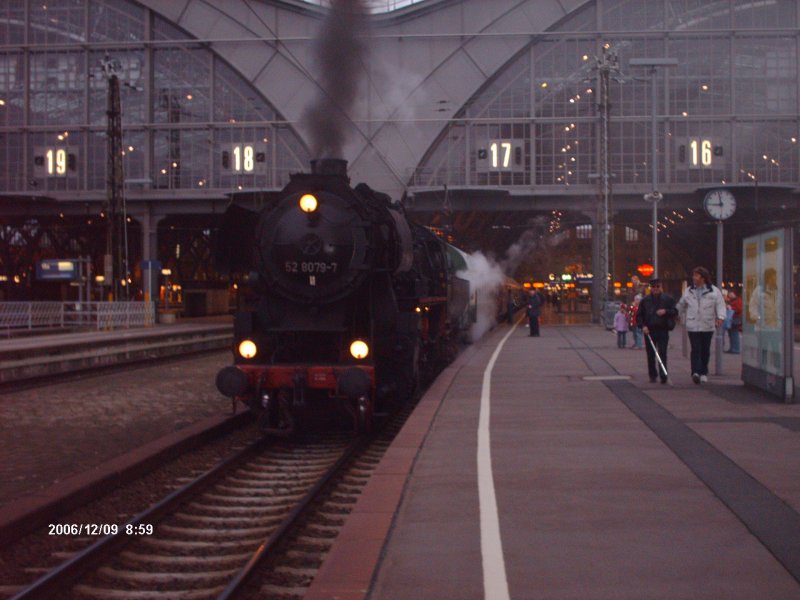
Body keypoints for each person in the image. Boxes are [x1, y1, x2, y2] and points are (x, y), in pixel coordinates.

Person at [676, 266, 726, 384]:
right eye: (693, 275)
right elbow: (682, 304)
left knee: (705, 349)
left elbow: (720, 305)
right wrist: (675, 313)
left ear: (703, 278)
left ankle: (703, 372)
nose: (693, 277)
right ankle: (695, 372)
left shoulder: (714, 291)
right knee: (695, 348)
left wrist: (720, 317)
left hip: (707, 324)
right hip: (693, 324)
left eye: (696, 275)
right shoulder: (689, 291)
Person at [636, 278, 677, 384]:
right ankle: (652, 375)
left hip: (663, 329)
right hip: (649, 330)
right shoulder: (645, 300)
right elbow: (639, 315)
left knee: (662, 352)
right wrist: (643, 326)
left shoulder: (668, 299)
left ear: (661, 287)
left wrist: (665, 311)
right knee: (650, 354)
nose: (655, 289)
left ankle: (663, 375)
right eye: (653, 287)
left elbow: (675, 311)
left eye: (658, 286)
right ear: (651, 288)